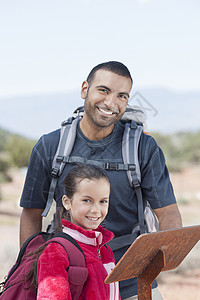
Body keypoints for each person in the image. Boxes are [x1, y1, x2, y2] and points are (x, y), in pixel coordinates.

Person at [20, 61, 182, 299]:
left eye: (121, 96)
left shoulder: (142, 148)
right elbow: (32, 214)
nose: (111, 103)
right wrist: (32, 271)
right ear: (85, 89)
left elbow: (167, 212)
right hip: (67, 280)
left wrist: (164, 257)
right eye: (103, 90)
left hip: (131, 281)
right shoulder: (50, 147)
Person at [32, 164, 120, 299]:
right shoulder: (56, 251)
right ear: (67, 202)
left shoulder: (104, 248)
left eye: (103, 201)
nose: (96, 209)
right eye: (87, 200)